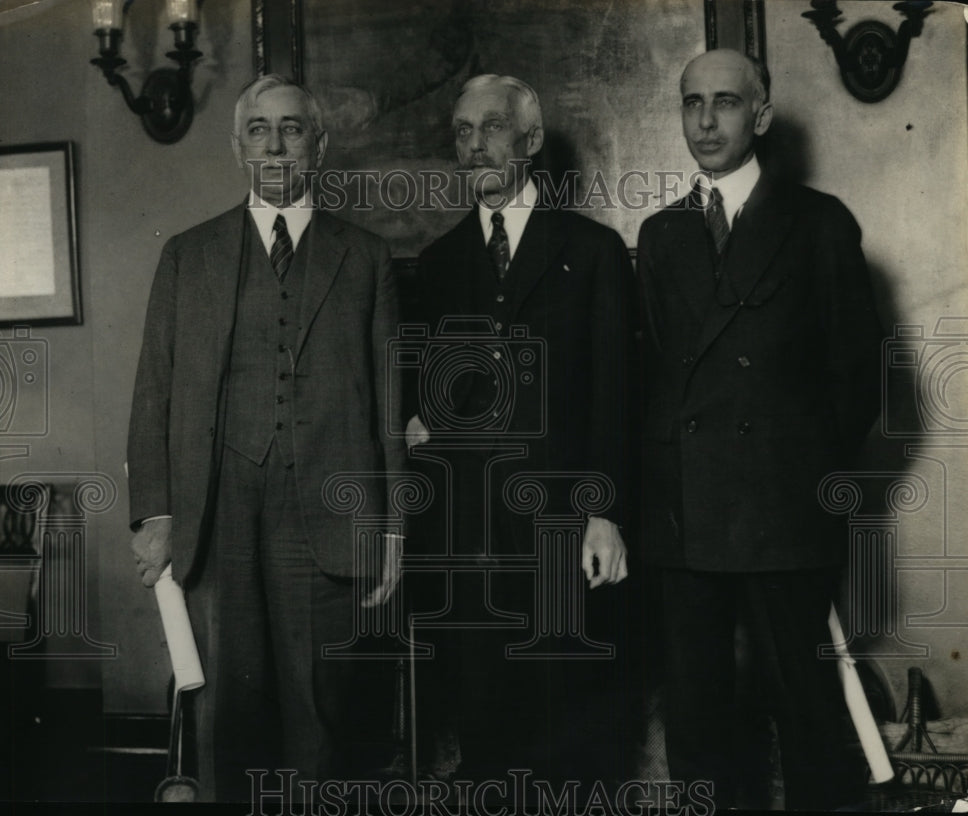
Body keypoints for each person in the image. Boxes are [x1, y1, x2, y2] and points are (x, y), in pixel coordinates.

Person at [126, 74, 405, 802]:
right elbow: (152, 389)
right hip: (216, 518)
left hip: (330, 521)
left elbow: (387, 401)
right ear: (237, 146)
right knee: (226, 717)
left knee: (320, 718)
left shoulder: (366, 258)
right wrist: (156, 512)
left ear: (320, 144)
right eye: (259, 129)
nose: (275, 143)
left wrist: (392, 528)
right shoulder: (189, 255)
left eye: (292, 128)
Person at [636, 49, 882, 810]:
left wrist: (799, 474)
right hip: (687, 516)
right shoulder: (661, 233)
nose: (706, 121)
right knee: (700, 716)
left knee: (803, 708)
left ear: (763, 115)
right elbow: (653, 380)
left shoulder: (820, 223)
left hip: (784, 513)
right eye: (691, 104)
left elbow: (856, 379)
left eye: (726, 103)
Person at [404, 74, 636, 783]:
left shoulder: (592, 252)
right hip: (467, 545)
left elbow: (616, 396)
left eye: (494, 127)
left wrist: (604, 514)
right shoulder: (438, 264)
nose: (476, 146)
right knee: (483, 736)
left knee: (571, 731)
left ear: (531, 141)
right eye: (464, 132)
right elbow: (421, 404)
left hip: (562, 529)